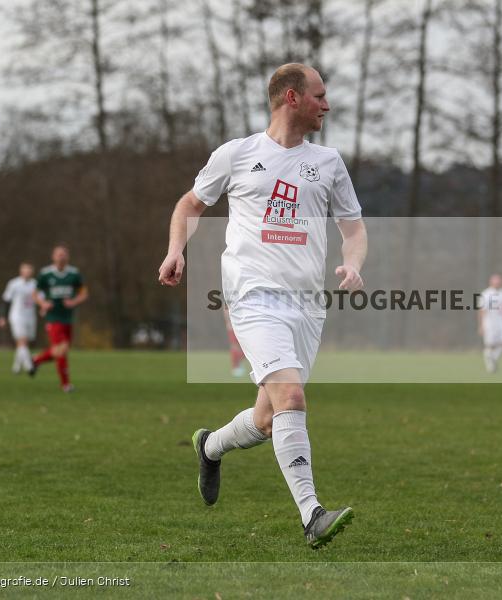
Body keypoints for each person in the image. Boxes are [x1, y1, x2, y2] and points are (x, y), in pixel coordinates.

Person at [158, 63, 367, 548]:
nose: (327, 104)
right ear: (292, 97)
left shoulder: (329, 162)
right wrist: (175, 250)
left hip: (308, 306)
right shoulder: (237, 154)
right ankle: (312, 515)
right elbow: (190, 204)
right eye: (319, 95)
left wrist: (353, 263)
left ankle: (210, 446)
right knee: (291, 397)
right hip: (251, 296)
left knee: (269, 418)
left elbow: (353, 228)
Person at [30, 245, 88, 392]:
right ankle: (65, 385)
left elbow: (84, 293)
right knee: (60, 350)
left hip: (68, 317)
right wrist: (43, 303)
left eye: (63, 254)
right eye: (58, 254)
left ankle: (36, 360)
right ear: (53, 257)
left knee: (61, 350)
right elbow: (35, 294)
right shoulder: (46, 274)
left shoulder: (74, 274)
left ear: (68, 257)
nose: (61, 257)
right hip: (53, 317)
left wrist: (73, 302)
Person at [0, 262, 37, 374]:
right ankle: (29, 366)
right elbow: (6, 300)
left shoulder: (35, 284)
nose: (27, 272)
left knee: (24, 343)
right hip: (17, 316)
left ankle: (16, 367)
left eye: (29, 270)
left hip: (30, 316)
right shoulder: (14, 284)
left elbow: (41, 299)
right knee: (22, 340)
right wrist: (2, 317)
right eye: (25, 269)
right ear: (21, 271)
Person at [477, 274, 502, 373]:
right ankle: (490, 366)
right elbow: (481, 310)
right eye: (495, 281)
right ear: (491, 282)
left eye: (499, 281)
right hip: (490, 321)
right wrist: (481, 325)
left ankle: (493, 358)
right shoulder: (486, 294)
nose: (497, 283)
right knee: (490, 345)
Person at [223, 306, 248, 378]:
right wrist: (228, 322)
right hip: (233, 326)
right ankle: (235, 367)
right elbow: (226, 310)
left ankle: (238, 364)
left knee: (244, 347)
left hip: (243, 326)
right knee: (235, 346)